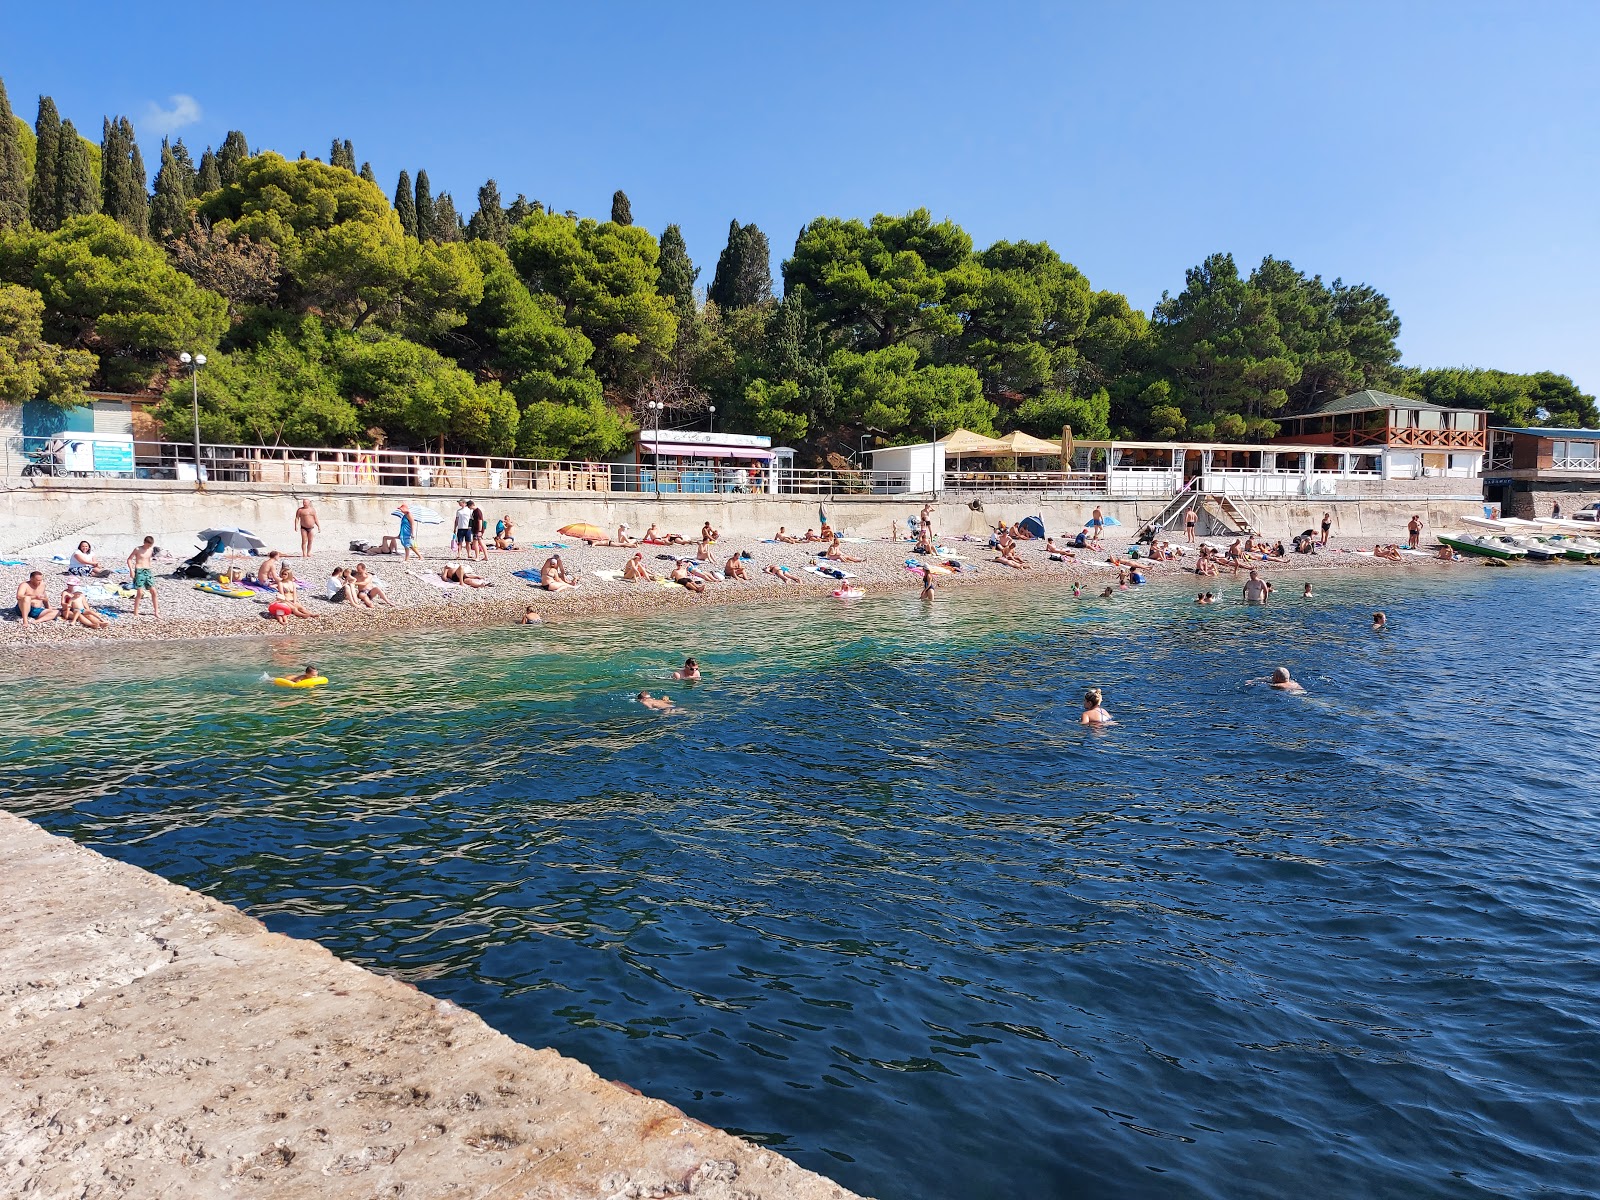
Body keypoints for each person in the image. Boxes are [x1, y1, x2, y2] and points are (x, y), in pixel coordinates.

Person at [127, 536, 160, 618]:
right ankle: (136, 612)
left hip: (147, 571)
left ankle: (156, 612)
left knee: (154, 591)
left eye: (150, 545)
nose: (149, 546)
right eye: (148, 545)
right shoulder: (138, 549)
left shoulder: (151, 550)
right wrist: (131, 570)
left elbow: (148, 559)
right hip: (139, 571)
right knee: (140, 592)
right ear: (144, 542)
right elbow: (129, 559)